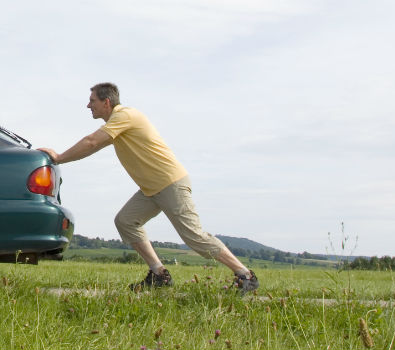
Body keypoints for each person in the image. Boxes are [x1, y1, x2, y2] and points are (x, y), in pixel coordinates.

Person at [37, 82, 259, 294]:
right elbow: (91, 147)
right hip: (151, 189)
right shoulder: (115, 124)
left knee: (194, 237)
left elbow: (91, 142)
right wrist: (63, 158)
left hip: (170, 183)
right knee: (126, 221)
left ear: (106, 102)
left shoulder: (124, 115)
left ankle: (245, 275)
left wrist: (59, 157)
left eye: (91, 100)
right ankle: (159, 274)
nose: (88, 105)